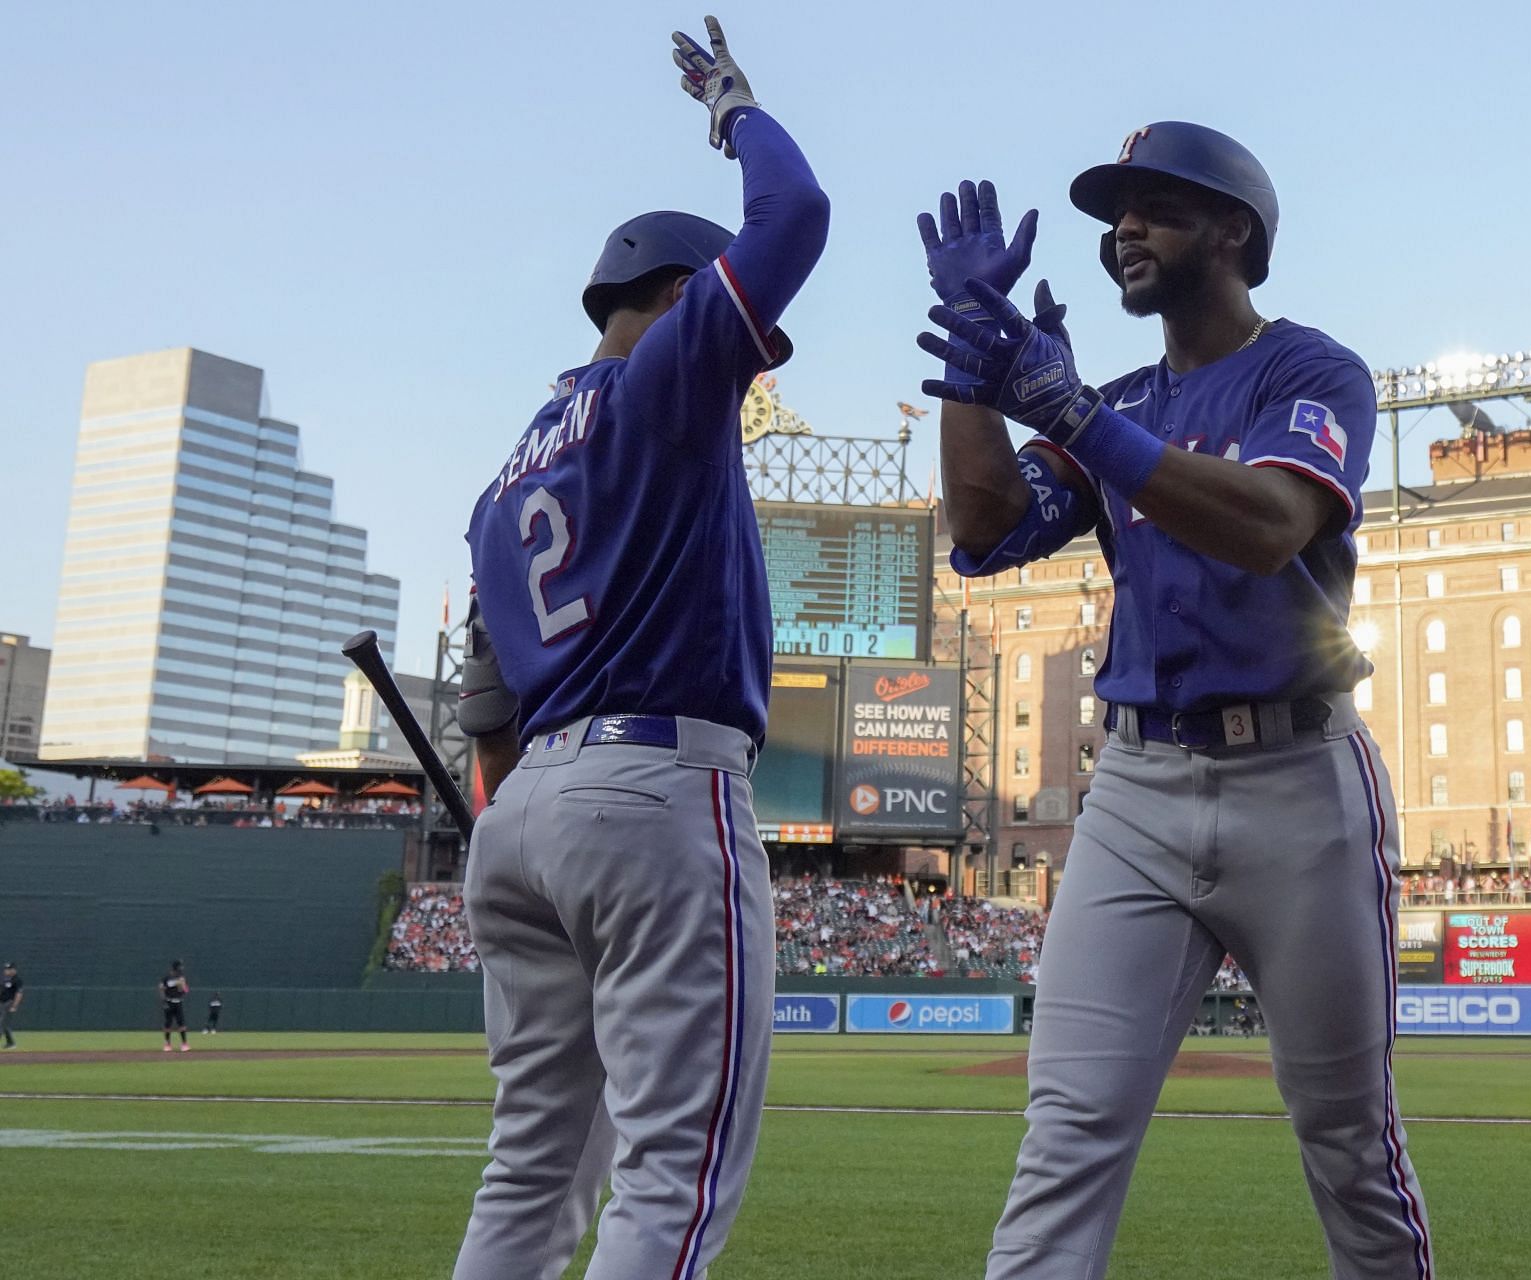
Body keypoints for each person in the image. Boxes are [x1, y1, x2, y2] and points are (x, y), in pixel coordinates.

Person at [917, 122, 1432, 1278]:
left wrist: (1082, 418)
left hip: (1300, 782)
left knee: (1348, 1142)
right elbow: (986, 521)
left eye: (1153, 206)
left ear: (1233, 230)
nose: (1124, 229)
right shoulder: (1121, 396)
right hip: (1137, 791)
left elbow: (1268, 525)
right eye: (1115, 213)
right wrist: (972, 369)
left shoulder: (1309, 368)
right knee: (1065, 1139)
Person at [449, 16, 827, 1280]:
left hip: (526, 814)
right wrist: (734, 108)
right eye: (736, 329)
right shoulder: (663, 376)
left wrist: (525, 808)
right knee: (674, 1168)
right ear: (674, 303)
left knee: (531, 1166)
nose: (753, 359)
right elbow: (797, 215)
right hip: (657, 785)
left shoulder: (499, 483)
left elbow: (485, 698)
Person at [159, 960, 190, 1052]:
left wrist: (182, 985)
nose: (181, 969)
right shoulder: (166, 978)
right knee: (168, 1024)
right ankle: (167, 1044)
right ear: (176, 967)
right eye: (180, 967)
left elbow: (185, 990)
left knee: (181, 1023)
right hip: (169, 1002)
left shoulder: (181, 977)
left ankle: (184, 1044)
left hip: (178, 1002)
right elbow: (161, 988)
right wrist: (163, 1001)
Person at [0, 962, 22, 1048]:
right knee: (5, 1024)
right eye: (6, 969)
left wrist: (14, 1006)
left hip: (8, 1003)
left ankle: (11, 1043)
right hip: (1, 1003)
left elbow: (19, 994)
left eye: (8, 969)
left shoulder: (17, 980)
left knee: (2, 1023)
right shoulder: (4, 980)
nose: (6, 971)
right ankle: (11, 1043)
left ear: (14, 970)